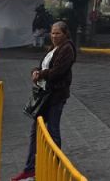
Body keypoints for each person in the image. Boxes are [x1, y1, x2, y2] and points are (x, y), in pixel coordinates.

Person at [12, 21, 76, 181]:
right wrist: (35, 71)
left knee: (53, 132)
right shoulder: (53, 48)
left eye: (58, 33)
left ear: (65, 34)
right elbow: (42, 65)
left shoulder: (67, 49)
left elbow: (58, 71)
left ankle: (55, 167)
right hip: (44, 95)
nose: (54, 36)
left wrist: (40, 74)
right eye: (52, 33)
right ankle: (29, 169)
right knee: (35, 132)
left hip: (55, 96)